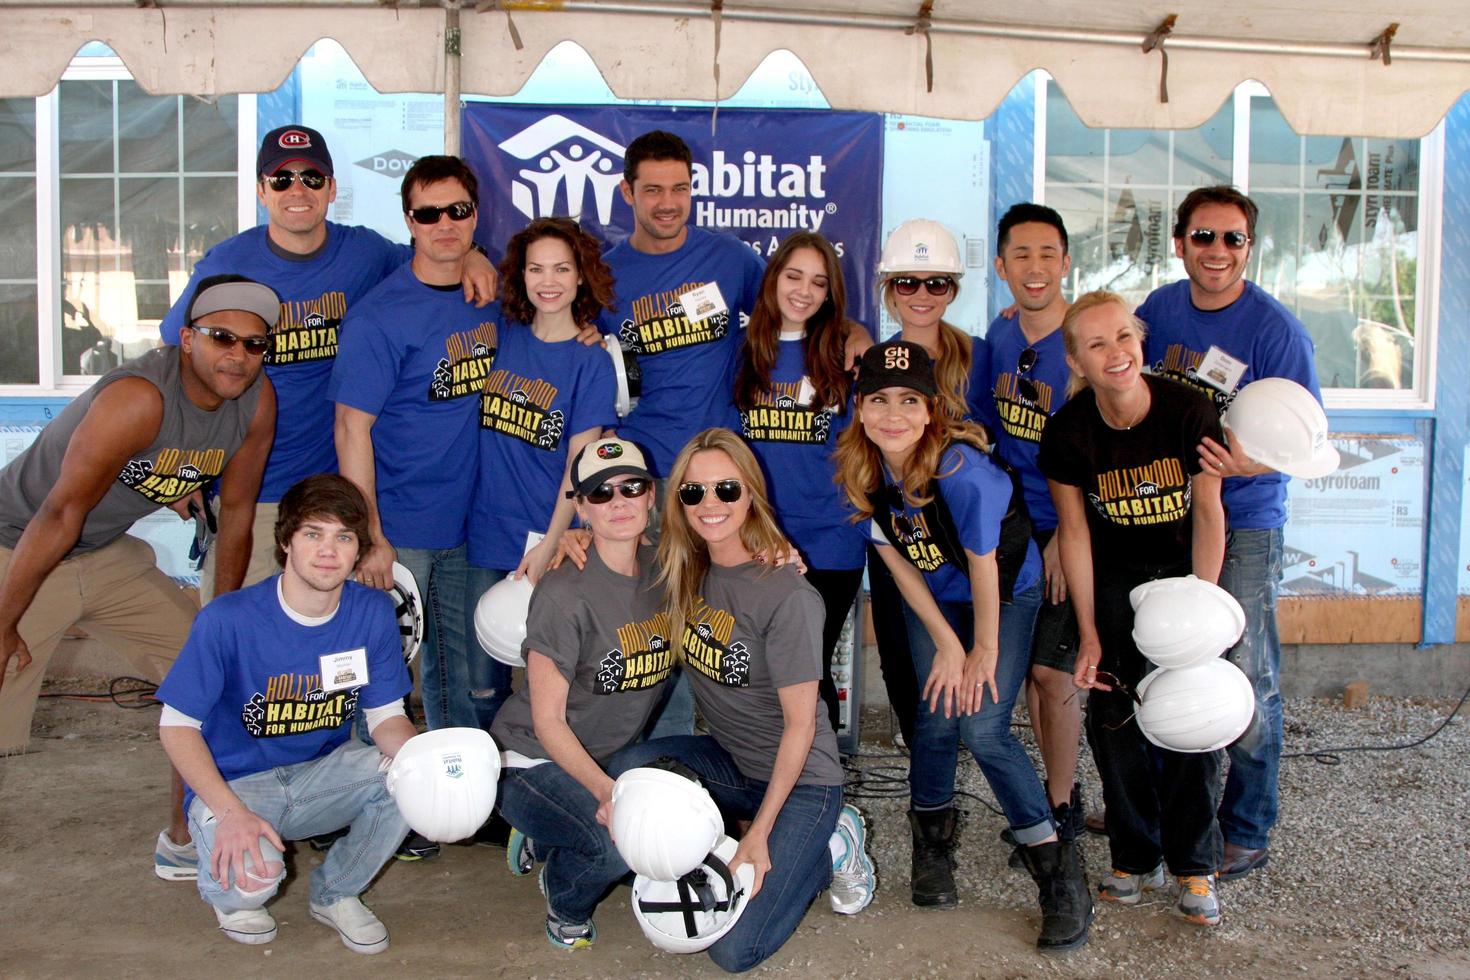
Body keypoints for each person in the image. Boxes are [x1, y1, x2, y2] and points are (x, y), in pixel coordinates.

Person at [0, 274, 277, 877]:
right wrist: (4, 622)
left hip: (101, 552)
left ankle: (185, 836)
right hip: (19, 545)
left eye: (255, 345)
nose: (238, 355)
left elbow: (235, 515)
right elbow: (58, 513)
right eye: (222, 337)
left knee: (203, 674)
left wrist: (220, 624)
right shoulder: (139, 398)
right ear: (186, 339)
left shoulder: (255, 402)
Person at [159, 125, 495, 603]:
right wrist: (178, 462)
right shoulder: (228, 264)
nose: (298, 190)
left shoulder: (364, 252)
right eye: (281, 179)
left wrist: (477, 257)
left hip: (334, 490)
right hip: (251, 490)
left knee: (329, 648)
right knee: (237, 632)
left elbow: (436, 252)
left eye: (312, 178)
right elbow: (174, 363)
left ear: (332, 189)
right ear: (261, 190)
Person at [834, 340, 1090, 952]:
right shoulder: (861, 468)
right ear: (861, 409)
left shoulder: (960, 470)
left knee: (983, 727)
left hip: (1001, 593)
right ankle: (932, 846)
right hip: (935, 596)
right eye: (878, 400)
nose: (892, 414)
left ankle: (1056, 868)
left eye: (908, 401)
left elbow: (984, 569)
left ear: (930, 410)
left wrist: (978, 652)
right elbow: (896, 563)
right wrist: (946, 643)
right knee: (934, 715)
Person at [611, 428, 875, 973]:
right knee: (631, 770)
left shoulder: (787, 594)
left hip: (803, 781)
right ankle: (752, 830)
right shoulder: (685, 567)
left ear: (750, 492)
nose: (710, 504)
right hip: (733, 763)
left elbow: (802, 728)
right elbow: (615, 530)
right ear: (678, 503)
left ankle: (833, 843)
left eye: (726, 490)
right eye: (694, 492)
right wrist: (575, 538)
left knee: (735, 951)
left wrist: (757, 838)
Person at [1137, 185, 1322, 881]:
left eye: (1232, 239)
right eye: (1204, 237)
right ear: (1179, 242)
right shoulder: (1159, 309)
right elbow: (1112, 358)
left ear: (1250, 248)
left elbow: (1306, 438)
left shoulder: (1276, 332)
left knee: (1246, 675)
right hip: (1167, 517)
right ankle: (1166, 811)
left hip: (1243, 522)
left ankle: (1246, 824)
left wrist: (1252, 460)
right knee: (1168, 659)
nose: (1217, 251)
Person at [156, 474, 417, 953]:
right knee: (254, 881)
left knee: (409, 777)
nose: (328, 550)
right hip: (234, 786)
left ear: (360, 549)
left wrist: (425, 766)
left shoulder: (372, 611)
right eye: (313, 534)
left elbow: (385, 715)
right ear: (285, 541)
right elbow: (176, 727)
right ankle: (230, 896)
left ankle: (336, 893)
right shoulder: (227, 619)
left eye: (343, 537)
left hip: (320, 774)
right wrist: (230, 813)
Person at [1037, 290, 1227, 926]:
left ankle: (1195, 867)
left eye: (1123, 337)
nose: (1115, 352)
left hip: (1182, 578)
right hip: (1115, 580)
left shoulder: (1187, 409)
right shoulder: (1068, 431)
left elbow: (1207, 511)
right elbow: (1076, 536)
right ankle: (1132, 855)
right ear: (1077, 361)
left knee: (1191, 716)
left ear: (1139, 341)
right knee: (1115, 717)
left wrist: (1204, 612)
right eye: (1096, 344)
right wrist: (1088, 633)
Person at [595, 129, 765, 737]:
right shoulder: (605, 277)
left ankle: (712, 760)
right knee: (651, 626)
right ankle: (660, 763)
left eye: (680, 189)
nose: (668, 202)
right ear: (627, 192)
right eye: (653, 190)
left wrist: (849, 333)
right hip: (641, 480)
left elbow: (797, 306)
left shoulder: (730, 259)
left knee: (715, 621)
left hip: (713, 480)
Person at [330, 155, 501, 743]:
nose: (445, 224)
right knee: (377, 672)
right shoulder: (379, 316)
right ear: (409, 221)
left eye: (458, 210)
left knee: (462, 672)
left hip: (473, 523)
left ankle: (454, 797)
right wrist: (369, 536)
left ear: (477, 215)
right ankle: (364, 805)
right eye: (429, 214)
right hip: (399, 527)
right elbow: (351, 429)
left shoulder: (494, 294)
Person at [490, 437, 672, 950]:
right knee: (616, 847)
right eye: (599, 493)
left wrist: (779, 552)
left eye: (630, 487)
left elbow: (731, 554)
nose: (617, 501)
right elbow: (547, 722)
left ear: (650, 495)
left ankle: (551, 830)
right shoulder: (564, 592)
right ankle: (563, 896)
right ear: (580, 507)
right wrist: (607, 794)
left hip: (604, 756)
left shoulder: (667, 568)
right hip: (528, 759)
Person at [730, 231, 871, 733]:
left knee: (806, 670)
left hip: (832, 544)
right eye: (794, 276)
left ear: (830, 293)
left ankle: (822, 789)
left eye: (818, 282)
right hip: (758, 540)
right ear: (772, 281)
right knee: (764, 672)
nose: (804, 291)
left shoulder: (847, 354)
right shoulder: (741, 352)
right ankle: (772, 782)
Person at [978, 203, 1085, 836]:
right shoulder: (1001, 335)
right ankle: (1044, 797)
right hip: (1014, 527)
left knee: (1053, 671)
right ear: (1001, 265)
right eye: (1021, 255)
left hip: (1068, 529)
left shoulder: (1085, 344)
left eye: (1048, 254)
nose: (1035, 267)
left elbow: (1096, 460)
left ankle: (1063, 802)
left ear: (1066, 262)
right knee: (1025, 678)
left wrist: (1065, 540)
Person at [866, 219, 988, 753]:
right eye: (906, 283)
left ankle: (957, 738)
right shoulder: (869, 359)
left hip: (962, 535)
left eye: (936, 283)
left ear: (954, 290)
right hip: (899, 532)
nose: (921, 294)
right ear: (888, 290)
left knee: (963, 637)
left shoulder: (979, 355)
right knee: (899, 646)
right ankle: (925, 757)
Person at [470, 216, 617, 594]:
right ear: (521, 275)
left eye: (561, 269)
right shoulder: (502, 332)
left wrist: (551, 542)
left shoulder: (591, 360)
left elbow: (577, 463)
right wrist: (472, 255)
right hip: (484, 535)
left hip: (549, 537)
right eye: (536, 269)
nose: (548, 282)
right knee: (476, 655)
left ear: (580, 275)